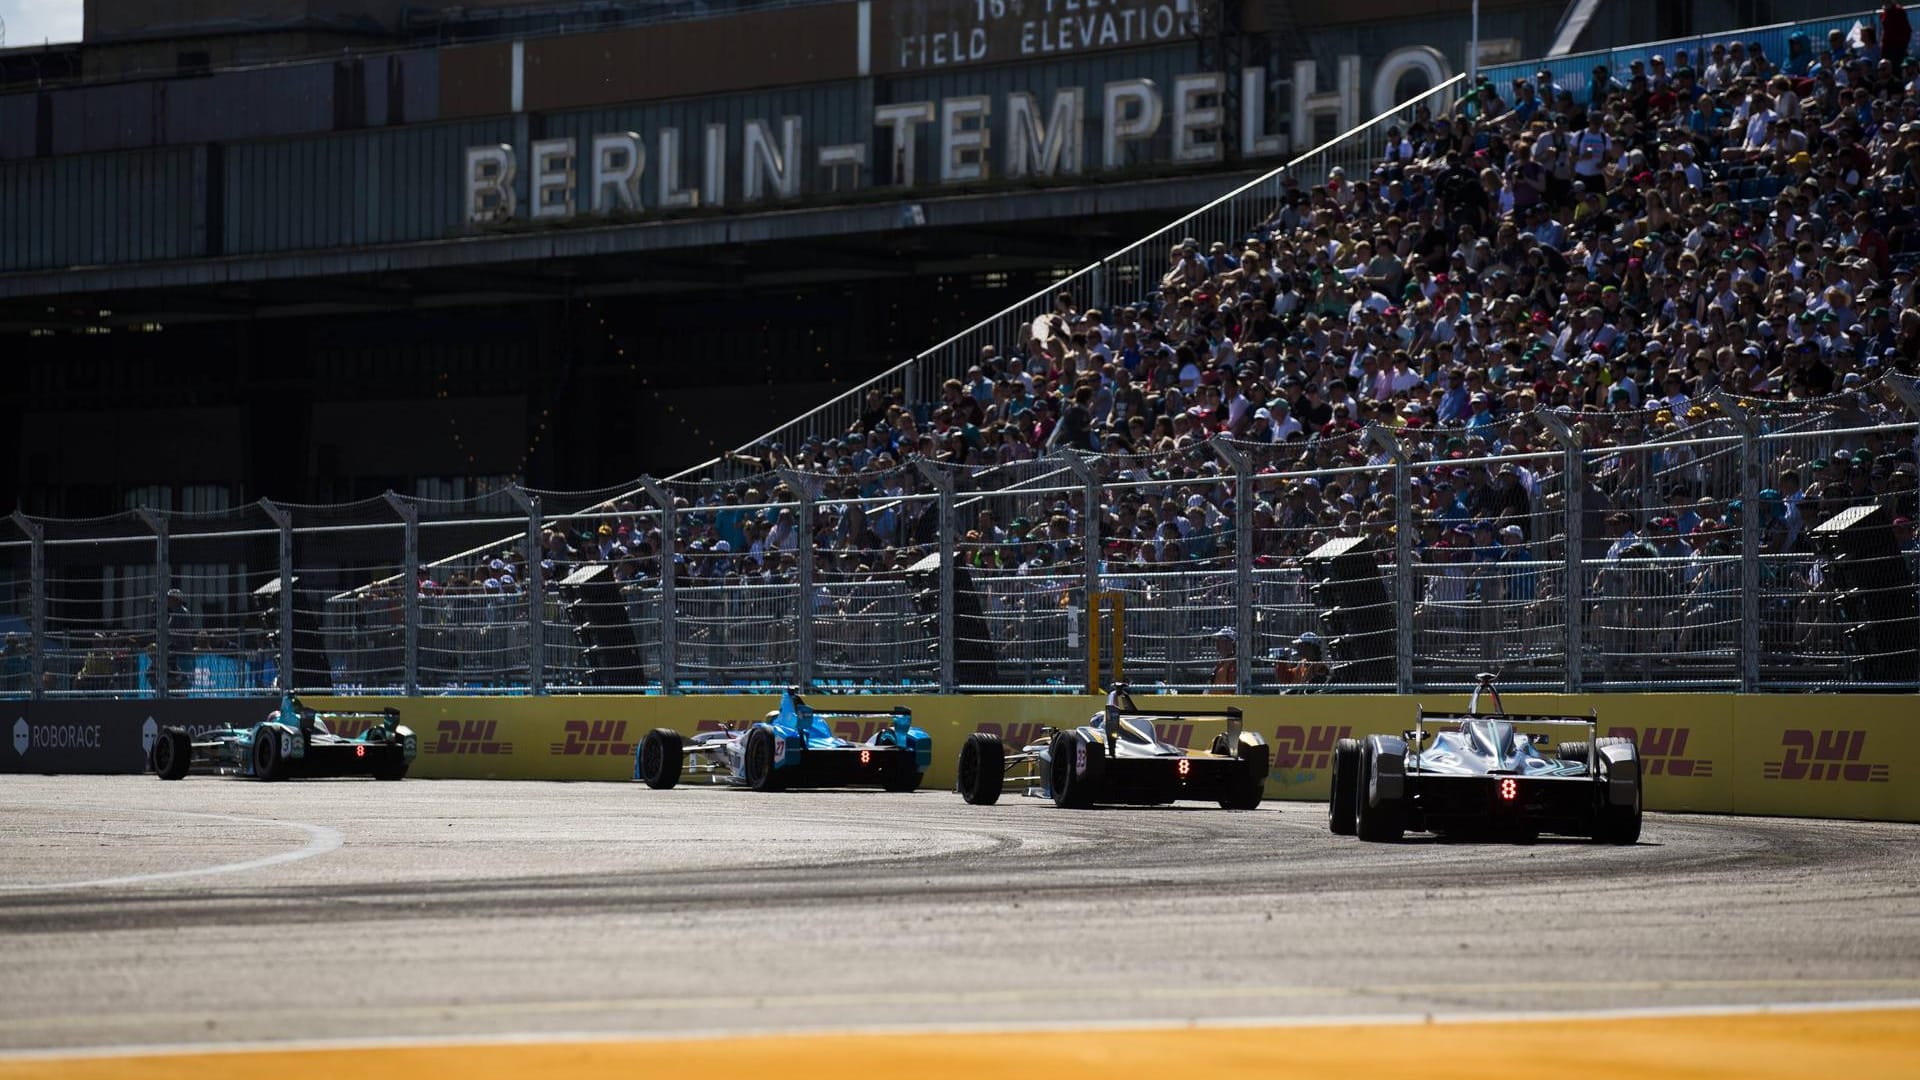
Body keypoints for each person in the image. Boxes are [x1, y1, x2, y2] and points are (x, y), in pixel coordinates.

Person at [1208, 626, 1238, 692]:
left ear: (1230, 643)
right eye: (1217, 640)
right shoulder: (1221, 663)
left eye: (1221, 640)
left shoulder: (1233, 663)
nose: (1217, 644)